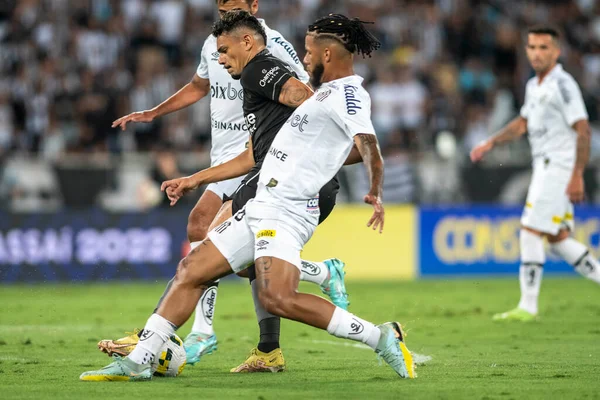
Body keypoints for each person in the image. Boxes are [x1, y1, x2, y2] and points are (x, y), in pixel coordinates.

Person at [80, 12, 415, 381]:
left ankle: (379, 336)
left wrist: (375, 190)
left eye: (308, 52)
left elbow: (367, 143)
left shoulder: (344, 93)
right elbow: (263, 153)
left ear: (329, 54)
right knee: (192, 269)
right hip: (261, 204)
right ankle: (139, 359)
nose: (303, 59)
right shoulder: (323, 96)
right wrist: (195, 179)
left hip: (287, 211)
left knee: (277, 298)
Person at [104, 0, 349, 367]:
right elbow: (197, 86)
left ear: (253, 7)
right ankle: (307, 289)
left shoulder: (274, 47)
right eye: (221, 7)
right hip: (230, 157)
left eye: (234, 7)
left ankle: (195, 332)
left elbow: (303, 94)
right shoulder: (214, 43)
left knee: (211, 238)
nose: (225, 12)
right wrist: (155, 112)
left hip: (260, 158)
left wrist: (313, 142)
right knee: (209, 235)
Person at [470, 26, 599, 321]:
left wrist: (577, 173)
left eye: (543, 47)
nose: (537, 53)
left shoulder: (563, 84)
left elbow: (583, 129)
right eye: (532, 47)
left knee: (530, 231)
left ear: (556, 51)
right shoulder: (534, 85)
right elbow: (521, 124)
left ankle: (528, 305)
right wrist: (490, 142)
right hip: (545, 166)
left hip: (559, 165)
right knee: (558, 238)